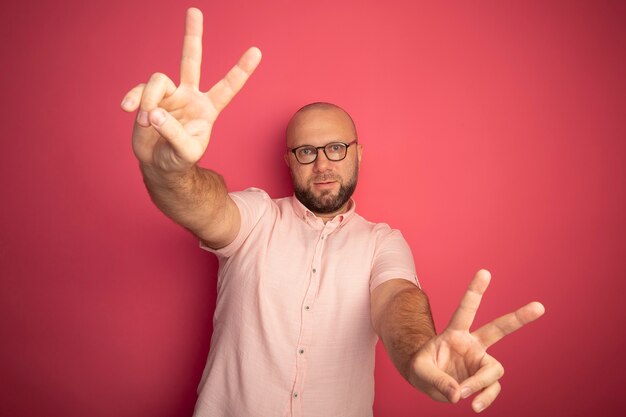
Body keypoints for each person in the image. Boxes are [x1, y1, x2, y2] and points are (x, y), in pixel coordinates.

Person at [120, 8, 545, 417]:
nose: (322, 165)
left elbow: (397, 300)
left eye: (336, 149)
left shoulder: (383, 242)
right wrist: (170, 169)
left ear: (358, 154)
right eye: (306, 151)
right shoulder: (258, 218)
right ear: (288, 160)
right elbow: (202, 206)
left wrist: (421, 352)